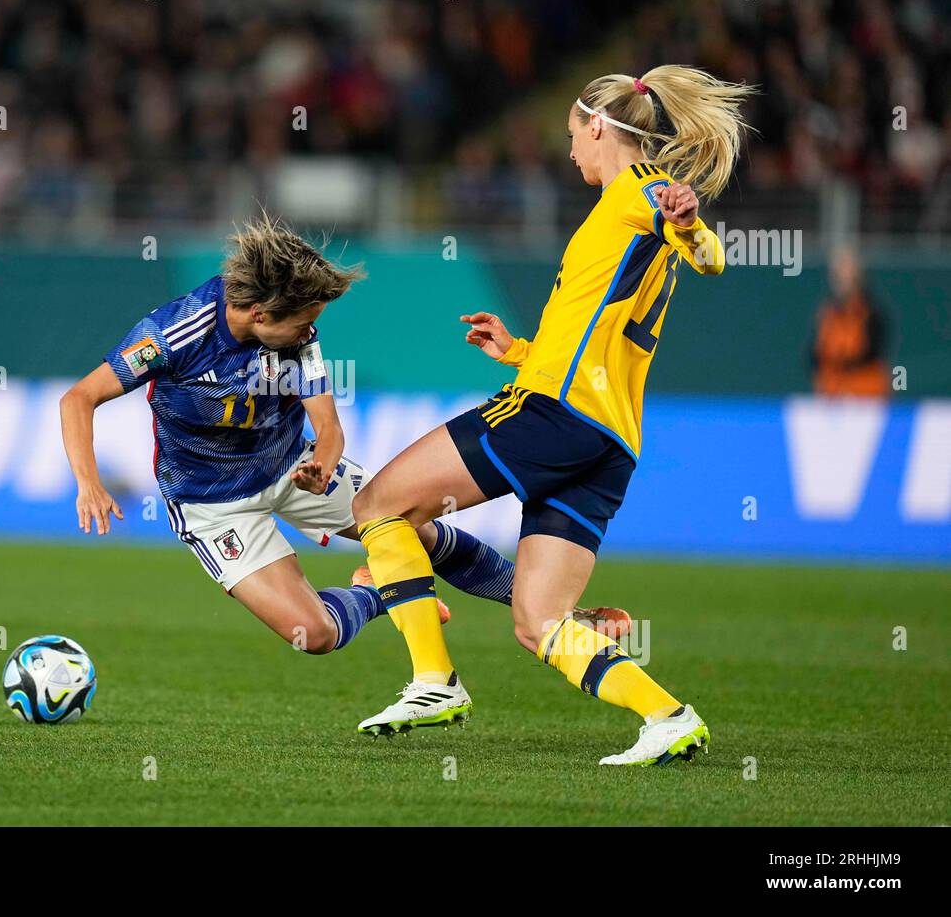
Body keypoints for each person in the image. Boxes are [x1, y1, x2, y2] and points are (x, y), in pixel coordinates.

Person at [59, 216, 629, 730]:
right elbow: (79, 398)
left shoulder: (296, 336)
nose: (312, 330)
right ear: (259, 315)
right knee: (317, 636)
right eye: (304, 320)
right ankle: (376, 592)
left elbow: (327, 426)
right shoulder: (174, 335)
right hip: (213, 505)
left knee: (408, 528)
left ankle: (557, 615)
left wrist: (322, 461)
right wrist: (89, 481)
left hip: (290, 465)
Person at [349, 67, 754, 764]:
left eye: (573, 136)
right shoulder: (625, 209)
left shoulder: (638, 192)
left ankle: (433, 678)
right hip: (610, 441)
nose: (571, 153)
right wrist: (519, 350)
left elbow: (711, 256)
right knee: (539, 622)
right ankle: (666, 715)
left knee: (378, 505)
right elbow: (596, 334)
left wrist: (692, 226)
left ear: (599, 127)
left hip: (552, 417)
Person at [811, 246, 890, 396]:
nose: (843, 280)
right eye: (838, 274)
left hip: (865, 395)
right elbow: (816, 354)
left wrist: (841, 362)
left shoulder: (871, 312)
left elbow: (871, 352)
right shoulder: (828, 313)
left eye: (848, 274)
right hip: (831, 395)